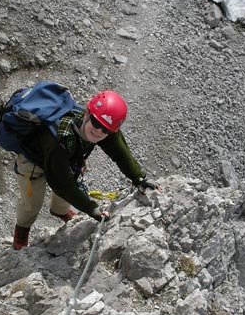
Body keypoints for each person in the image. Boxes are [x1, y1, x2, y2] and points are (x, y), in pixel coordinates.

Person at [12, 89, 158, 250]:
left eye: (105, 130)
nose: (99, 130)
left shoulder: (104, 125)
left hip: (66, 159)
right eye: (95, 123)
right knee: (32, 202)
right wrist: (91, 208)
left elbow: (121, 154)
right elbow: (61, 184)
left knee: (68, 188)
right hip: (33, 162)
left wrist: (138, 177)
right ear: (87, 113)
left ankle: (59, 211)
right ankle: (22, 228)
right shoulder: (59, 137)